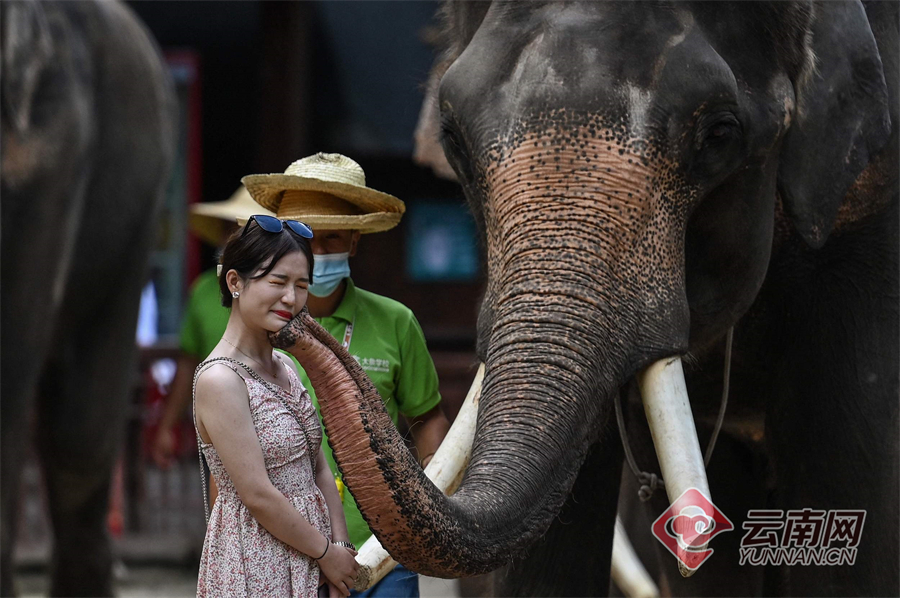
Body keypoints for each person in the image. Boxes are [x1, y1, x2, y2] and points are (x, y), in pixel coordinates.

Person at [243, 153, 451, 597]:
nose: (316, 253)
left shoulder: (397, 322)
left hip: (383, 551)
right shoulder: (255, 328)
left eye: (332, 239)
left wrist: (423, 503)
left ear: (355, 242)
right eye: (307, 239)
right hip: (282, 552)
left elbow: (429, 418)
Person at [193, 215, 359, 597]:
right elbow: (257, 494)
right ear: (235, 282)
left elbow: (318, 463)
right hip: (256, 561)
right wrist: (325, 553)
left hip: (313, 558)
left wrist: (341, 551)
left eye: (301, 285)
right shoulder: (220, 380)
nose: (292, 298)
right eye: (278, 281)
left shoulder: (285, 364)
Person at [151, 188, 274, 472]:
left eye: (241, 232)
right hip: (220, 425)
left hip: (274, 423)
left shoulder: (281, 292)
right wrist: (167, 427)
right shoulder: (204, 290)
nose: (230, 240)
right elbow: (188, 364)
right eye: (226, 230)